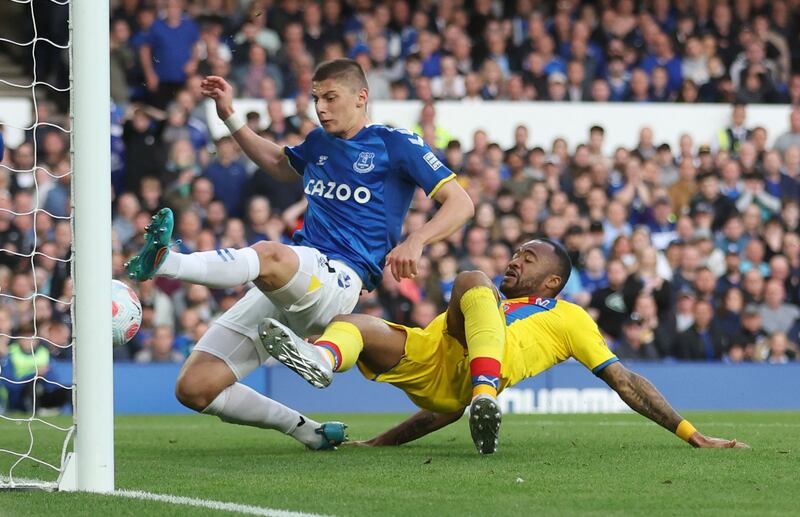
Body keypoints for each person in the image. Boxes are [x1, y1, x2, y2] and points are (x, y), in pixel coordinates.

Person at [125, 58, 474, 450]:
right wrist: (230, 118)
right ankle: (309, 430)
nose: (321, 108)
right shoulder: (319, 143)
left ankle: (168, 262)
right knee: (194, 387)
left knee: (270, 255)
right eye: (315, 98)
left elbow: (460, 202)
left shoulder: (396, 144)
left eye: (330, 97)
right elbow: (279, 163)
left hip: (340, 278)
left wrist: (417, 240)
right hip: (294, 277)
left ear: (361, 98)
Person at [259, 239, 748, 454]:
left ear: (552, 280)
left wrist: (691, 433)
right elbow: (441, 412)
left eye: (527, 258)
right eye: (515, 253)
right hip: (436, 362)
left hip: (466, 387)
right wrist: (380, 442)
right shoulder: (490, 296)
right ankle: (319, 359)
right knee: (354, 324)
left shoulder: (570, 317)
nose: (515, 261)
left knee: (474, 278)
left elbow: (625, 380)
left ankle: (484, 391)